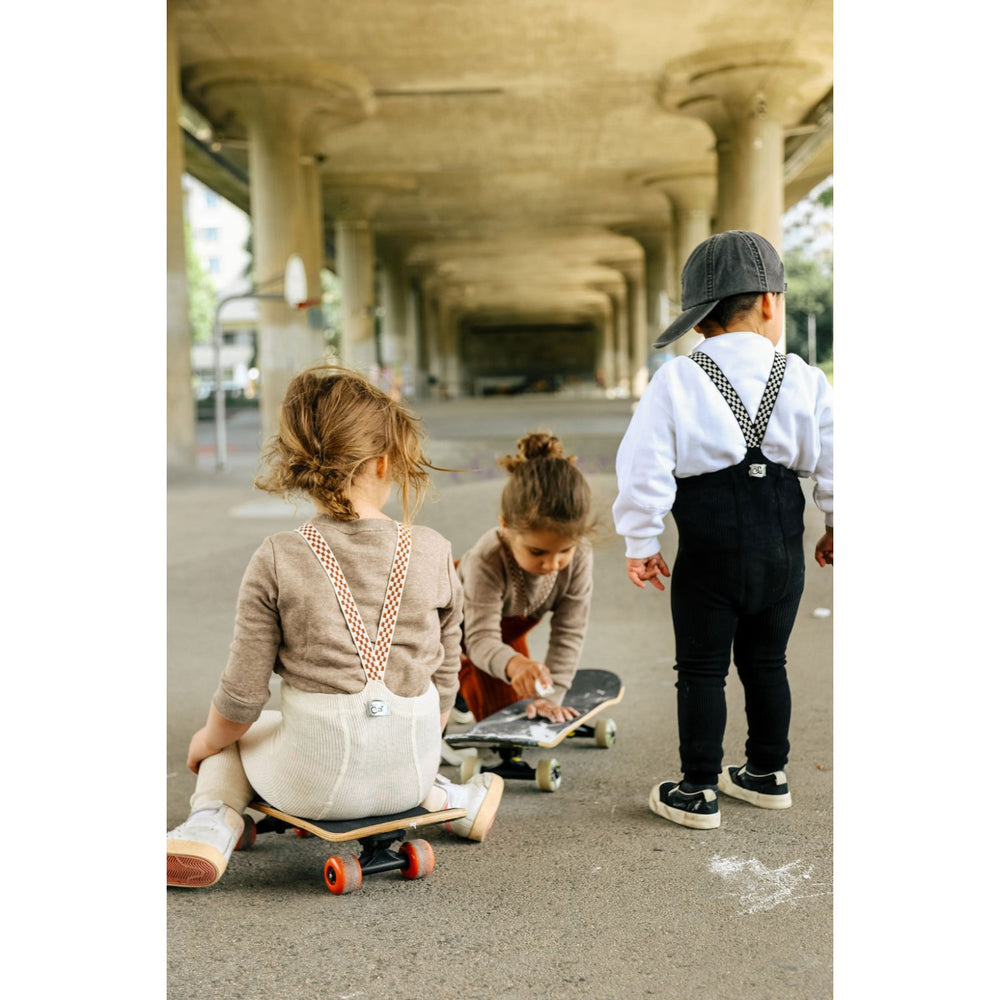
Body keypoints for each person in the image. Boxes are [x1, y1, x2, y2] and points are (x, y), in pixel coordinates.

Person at [167, 366, 504, 888]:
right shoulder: (434, 550)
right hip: (410, 772)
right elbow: (445, 672)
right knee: (397, 742)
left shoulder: (279, 556)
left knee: (232, 740)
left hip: (313, 784)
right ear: (383, 462)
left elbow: (241, 699)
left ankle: (211, 824)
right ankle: (451, 800)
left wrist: (205, 742)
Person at [612, 230, 833, 830]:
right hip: (782, 552)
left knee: (701, 669)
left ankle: (698, 789)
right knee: (768, 663)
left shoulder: (678, 380)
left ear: (698, 319)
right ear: (768, 302)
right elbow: (838, 457)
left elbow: (643, 466)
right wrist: (835, 522)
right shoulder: (804, 377)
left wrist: (642, 541)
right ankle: (767, 774)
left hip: (709, 556)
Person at [455, 432, 596, 727]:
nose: (552, 564)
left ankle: (463, 685)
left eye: (565, 551)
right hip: (458, 626)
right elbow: (479, 638)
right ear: (506, 526)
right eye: (537, 552)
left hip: (506, 627)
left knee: (518, 711)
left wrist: (551, 695)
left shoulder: (580, 556)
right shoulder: (487, 559)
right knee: (495, 717)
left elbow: (569, 632)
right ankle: (454, 680)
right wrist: (513, 664)